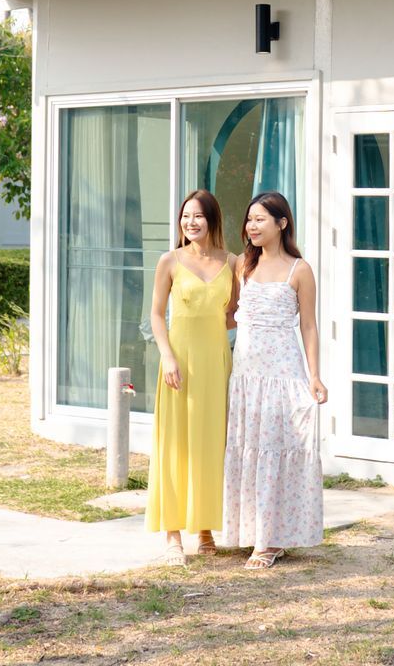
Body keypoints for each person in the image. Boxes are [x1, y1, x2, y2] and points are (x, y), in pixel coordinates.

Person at [222, 191, 326, 569]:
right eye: (249, 219)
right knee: (250, 449)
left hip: (283, 375)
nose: (251, 226)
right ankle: (256, 532)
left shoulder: (300, 270)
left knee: (277, 449)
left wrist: (315, 375)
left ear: (282, 223)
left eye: (260, 219)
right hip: (247, 376)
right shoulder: (242, 268)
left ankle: (269, 540)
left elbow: (309, 327)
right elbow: (231, 315)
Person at [146, 188, 237, 565]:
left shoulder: (233, 262)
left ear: (212, 219)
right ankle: (172, 534)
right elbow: (155, 314)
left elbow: (234, 313)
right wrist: (167, 356)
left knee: (211, 444)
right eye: (186, 215)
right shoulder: (169, 261)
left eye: (198, 215)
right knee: (175, 444)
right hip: (178, 364)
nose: (190, 222)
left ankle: (204, 528)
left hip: (215, 363)